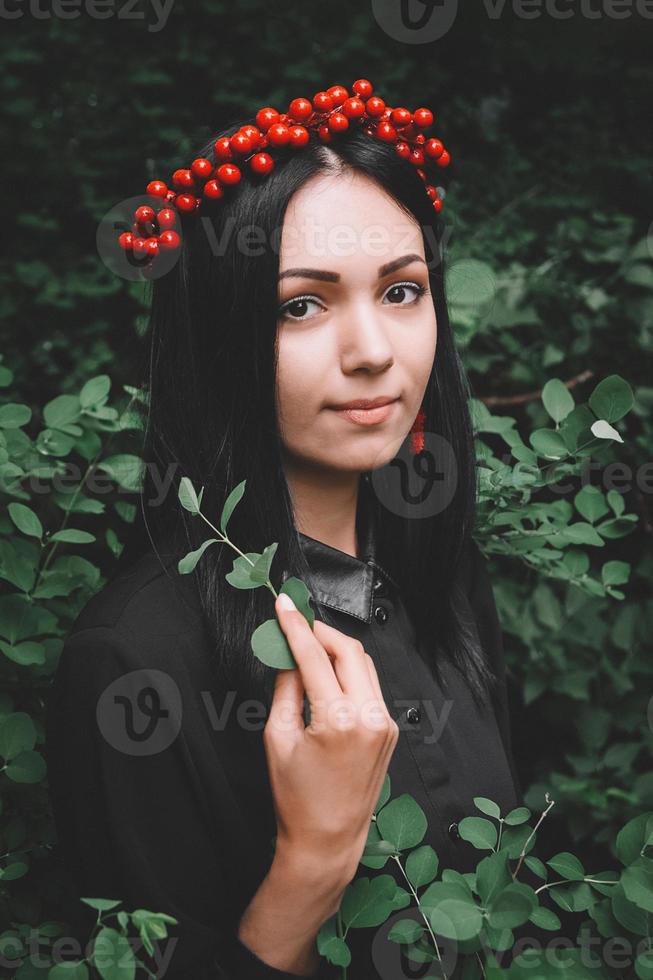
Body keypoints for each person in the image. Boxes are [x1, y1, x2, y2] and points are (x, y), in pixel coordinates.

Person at [45, 80, 524, 979]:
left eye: (401, 290)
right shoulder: (134, 660)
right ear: (219, 340)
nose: (373, 349)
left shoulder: (443, 577)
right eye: (301, 304)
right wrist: (313, 859)